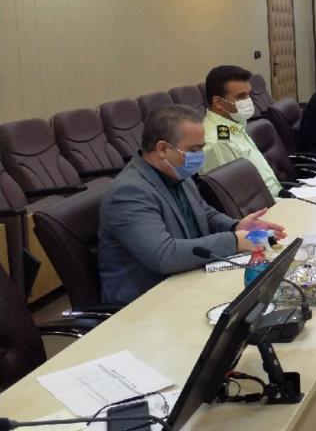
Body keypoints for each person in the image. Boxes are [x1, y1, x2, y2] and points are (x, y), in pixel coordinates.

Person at [97, 105, 286, 305]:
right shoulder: (129, 192)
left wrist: (235, 226)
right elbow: (164, 255)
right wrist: (234, 241)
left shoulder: (177, 173)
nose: (200, 156)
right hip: (147, 302)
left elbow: (205, 213)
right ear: (163, 149)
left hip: (188, 279)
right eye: (194, 150)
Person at [200, 65, 282, 197]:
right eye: (241, 96)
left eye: (249, 94)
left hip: (277, 197)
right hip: (266, 207)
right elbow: (235, 198)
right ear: (219, 102)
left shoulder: (234, 123)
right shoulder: (218, 142)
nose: (248, 101)